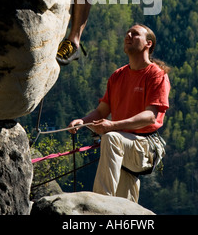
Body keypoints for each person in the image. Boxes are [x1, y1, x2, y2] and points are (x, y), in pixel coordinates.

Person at [68, 24, 171, 203]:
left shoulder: (156, 75)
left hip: (145, 146)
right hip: (125, 146)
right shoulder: (118, 76)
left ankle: (99, 205)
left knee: (111, 138)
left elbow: (151, 116)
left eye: (135, 34)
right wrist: (82, 121)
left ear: (148, 44)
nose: (128, 36)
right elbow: (102, 111)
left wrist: (112, 126)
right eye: (127, 33)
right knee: (127, 206)